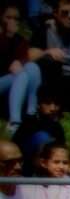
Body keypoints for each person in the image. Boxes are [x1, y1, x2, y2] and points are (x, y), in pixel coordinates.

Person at [0, 5, 42, 135]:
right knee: (22, 75)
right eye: (8, 17)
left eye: (16, 18)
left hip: (10, 79)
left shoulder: (18, 40)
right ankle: (14, 122)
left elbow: (23, 57)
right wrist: (6, 36)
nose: (12, 21)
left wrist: (19, 61)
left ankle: (31, 112)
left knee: (32, 67)